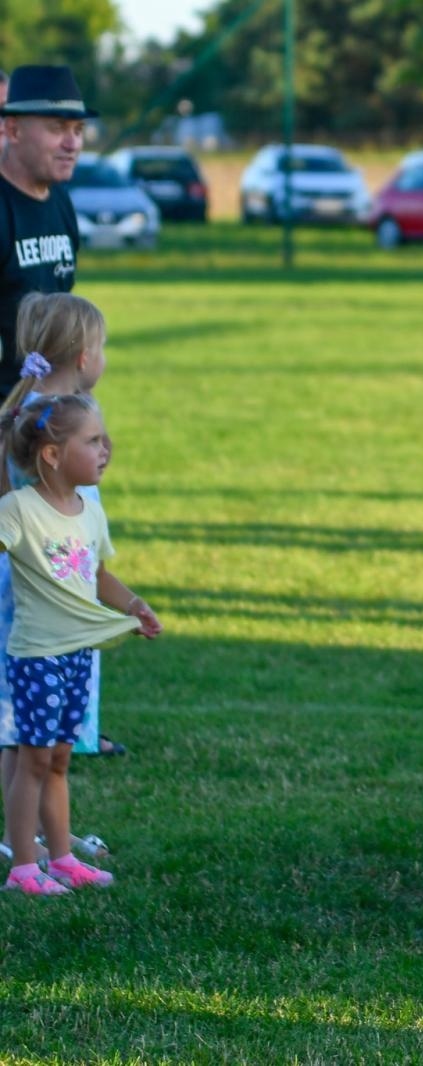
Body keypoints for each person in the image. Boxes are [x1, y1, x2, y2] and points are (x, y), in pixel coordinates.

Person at [0, 393, 161, 896]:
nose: (105, 448)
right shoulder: (20, 510)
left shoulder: (89, 511)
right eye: (92, 440)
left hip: (77, 658)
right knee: (33, 759)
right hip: (38, 657)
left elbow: (98, 575)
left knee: (61, 760)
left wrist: (132, 604)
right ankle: (25, 868)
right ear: (51, 454)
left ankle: (63, 858)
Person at [0, 294, 116, 868]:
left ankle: (49, 845)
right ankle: (26, 848)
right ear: (84, 354)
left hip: (65, 607)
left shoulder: (55, 408)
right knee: (26, 736)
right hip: (38, 609)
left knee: (32, 736)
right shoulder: (47, 419)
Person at [0, 65, 90, 394]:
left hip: (45, 407)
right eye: (57, 128)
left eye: (78, 130)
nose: (72, 143)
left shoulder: (61, 202)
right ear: (13, 130)